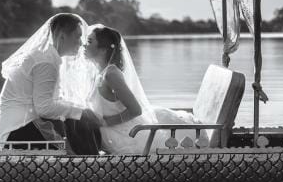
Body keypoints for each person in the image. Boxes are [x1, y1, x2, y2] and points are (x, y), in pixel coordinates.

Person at [80, 25, 203, 154]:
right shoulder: (97, 73)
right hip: (105, 134)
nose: (84, 45)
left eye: (89, 41)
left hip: (125, 137)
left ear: (103, 49)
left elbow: (135, 110)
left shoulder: (111, 74)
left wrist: (105, 122)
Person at [0, 13, 101, 155]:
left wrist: (80, 110)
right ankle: (90, 162)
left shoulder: (47, 56)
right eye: (77, 36)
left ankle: (89, 158)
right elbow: (44, 108)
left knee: (78, 119)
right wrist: (80, 112)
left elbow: (52, 102)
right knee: (80, 120)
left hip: (21, 126)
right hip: (18, 132)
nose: (81, 43)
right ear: (62, 36)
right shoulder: (46, 61)